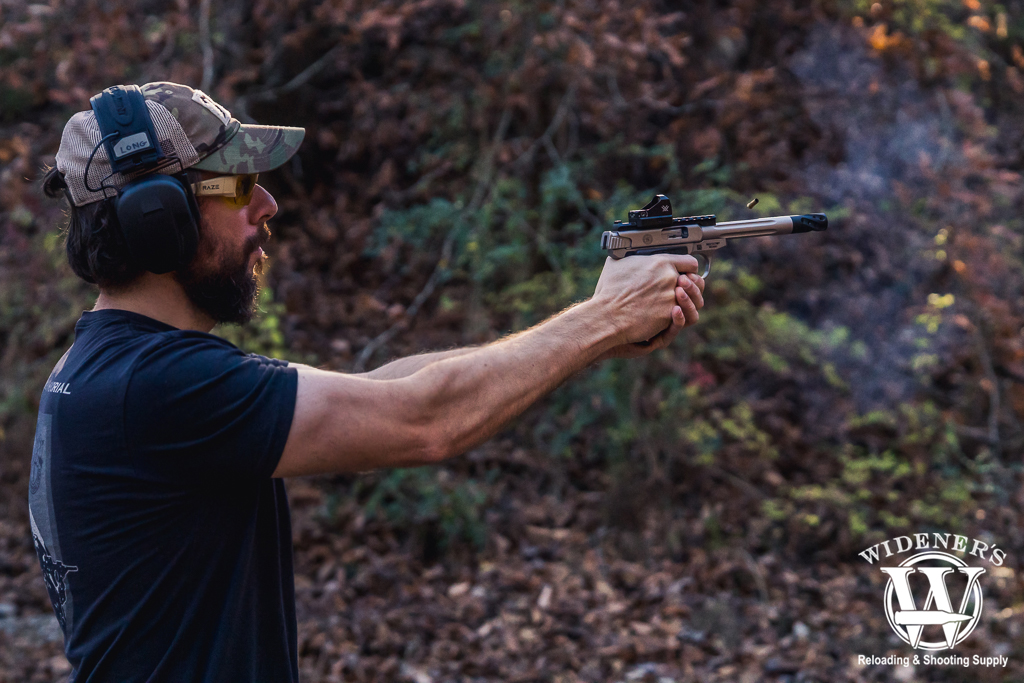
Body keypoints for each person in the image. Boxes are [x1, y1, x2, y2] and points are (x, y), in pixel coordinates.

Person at [32, 81, 706, 682]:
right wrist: (603, 318)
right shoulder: (159, 386)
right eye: (237, 185)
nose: (267, 204)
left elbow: (383, 388)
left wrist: (590, 333)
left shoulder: (106, 369)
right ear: (160, 220)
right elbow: (423, 421)